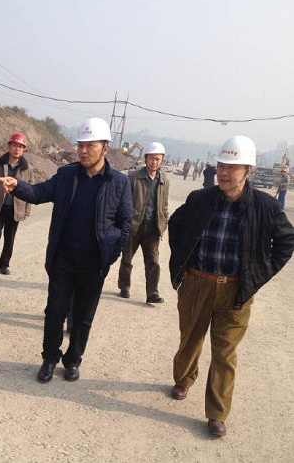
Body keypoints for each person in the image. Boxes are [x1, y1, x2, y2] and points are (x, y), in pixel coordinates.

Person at [168, 135, 294, 437]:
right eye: (222, 165)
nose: (224, 172)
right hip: (197, 282)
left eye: (233, 167)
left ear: (248, 170)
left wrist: (258, 275)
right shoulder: (200, 199)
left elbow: (286, 241)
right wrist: (183, 264)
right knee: (190, 338)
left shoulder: (264, 206)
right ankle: (184, 378)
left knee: (224, 352)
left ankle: (217, 412)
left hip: (236, 290)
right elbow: (176, 225)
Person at [0, 117, 132, 383]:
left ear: (105, 148)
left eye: (90, 146)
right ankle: (49, 358)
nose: (83, 151)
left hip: (94, 263)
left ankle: (73, 360)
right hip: (63, 259)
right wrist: (17, 186)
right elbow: (39, 193)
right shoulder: (67, 175)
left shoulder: (118, 183)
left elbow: (125, 224)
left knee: (83, 317)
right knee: (55, 311)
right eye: (80, 145)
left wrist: (110, 256)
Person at [118, 142, 169, 303]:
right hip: (134, 226)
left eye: (158, 159)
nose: (154, 162)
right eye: (151, 158)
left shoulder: (164, 181)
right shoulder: (133, 177)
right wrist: (125, 222)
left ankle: (152, 293)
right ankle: (124, 286)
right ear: (146, 159)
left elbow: (164, 205)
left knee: (153, 262)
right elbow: (124, 202)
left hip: (153, 228)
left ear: (162, 160)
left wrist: (163, 222)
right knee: (127, 258)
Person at [0, 133, 34, 278]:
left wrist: (27, 211)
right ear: (9, 146)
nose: (17, 149)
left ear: (24, 149)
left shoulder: (27, 168)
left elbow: (30, 190)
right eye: (15, 145)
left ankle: (4, 264)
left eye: (20, 147)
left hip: (15, 209)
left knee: (9, 239)